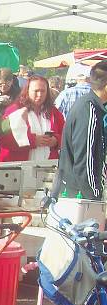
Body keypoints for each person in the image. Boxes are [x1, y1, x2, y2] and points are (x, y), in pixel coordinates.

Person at [56, 60, 107, 200]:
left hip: (81, 193)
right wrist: (94, 193)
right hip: (81, 197)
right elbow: (86, 160)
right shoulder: (89, 109)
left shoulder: (94, 107)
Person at [0, 75, 64, 163]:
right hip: (19, 168)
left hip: (49, 168)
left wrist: (56, 141)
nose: (39, 95)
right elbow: (3, 139)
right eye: (36, 91)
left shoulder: (54, 112)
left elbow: (66, 135)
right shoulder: (15, 110)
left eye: (43, 91)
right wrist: (33, 140)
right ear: (27, 91)